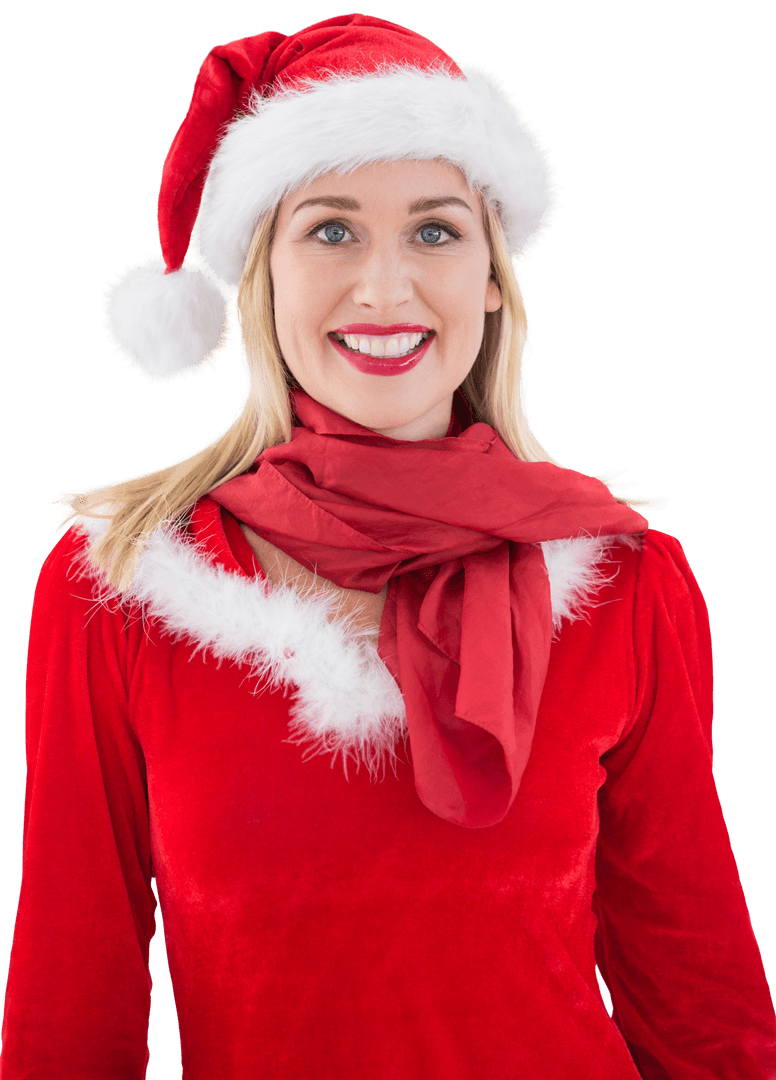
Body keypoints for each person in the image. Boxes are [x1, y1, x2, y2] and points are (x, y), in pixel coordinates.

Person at [0, 12, 773, 1079]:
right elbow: (68, 994)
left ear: (492, 278)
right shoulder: (122, 584)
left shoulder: (625, 580)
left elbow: (696, 995)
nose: (382, 288)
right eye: (328, 230)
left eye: (433, 231)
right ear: (259, 274)